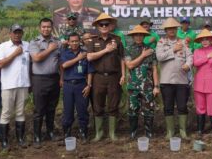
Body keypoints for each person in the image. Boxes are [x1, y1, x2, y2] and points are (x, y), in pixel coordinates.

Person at [86, 13, 125, 142]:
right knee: (98, 106)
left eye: (106, 24)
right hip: (98, 77)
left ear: (110, 26)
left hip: (114, 77)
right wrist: (106, 50)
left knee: (113, 105)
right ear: (97, 26)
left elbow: (122, 59)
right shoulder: (93, 40)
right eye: (101, 24)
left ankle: (112, 134)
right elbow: (89, 57)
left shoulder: (117, 40)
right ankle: (99, 133)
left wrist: (123, 75)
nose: (104, 26)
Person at [156, 18, 193, 139]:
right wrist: (173, 49)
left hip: (181, 80)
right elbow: (159, 57)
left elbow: (190, 56)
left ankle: (183, 131)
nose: (172, 30)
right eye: (169, 29)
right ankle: (170, 132)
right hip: (166, 81)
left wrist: (188, 64)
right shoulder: (161, 42)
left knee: (182, 106)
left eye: (174, 28)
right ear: (166, 30)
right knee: (168, 107)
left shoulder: (183, 42)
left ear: (177, 29)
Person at [0, 24, 31, 150]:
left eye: (19, 32)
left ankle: (20, 139)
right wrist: (15, 54)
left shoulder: (27, 45)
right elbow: (0, 64)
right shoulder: (3, 46)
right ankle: (4, 141)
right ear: (10, 33)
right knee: (6, 113)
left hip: (23, 84)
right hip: (8, 85)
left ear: (22, 33)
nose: (17, 35)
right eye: (15, 32)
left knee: (21, 112)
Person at [29, 18, 61, 147]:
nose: (46, 29)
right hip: (39, 79)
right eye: (43, 27)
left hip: (54, 78)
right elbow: (36, 58)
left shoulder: (57, 42)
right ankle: (37, 136)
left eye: (48, 27)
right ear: (40, 28)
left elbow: (60, 61)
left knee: (51, 108)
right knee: (39, 109)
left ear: (52, 28)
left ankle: (50, 132)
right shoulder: (34, 43)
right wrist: (49, 49)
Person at [125, 25, 160, 139]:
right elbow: (130, 65)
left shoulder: (151, 50)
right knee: (132, 109)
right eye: (136, 35)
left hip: (148, 86)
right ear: (133, 36)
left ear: (144, 36)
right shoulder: (128, 49)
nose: (139, 37)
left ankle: (148, 131)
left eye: (141, 35)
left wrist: (156, 86)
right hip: (133, 85)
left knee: (148, 109)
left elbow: (154, 69)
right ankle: (133, 131)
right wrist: (143, 55)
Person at [60, 33, 93, 141]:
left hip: (81, 85)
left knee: (82, 110)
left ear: (80, 42)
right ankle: (67, 132)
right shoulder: (65, 53)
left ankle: (83, 132)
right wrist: (77, 58)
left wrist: (89, 85)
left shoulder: (85, 54)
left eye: (76, 41)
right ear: (68, 42)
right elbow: (64, 65)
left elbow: (89, 71)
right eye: (72, 41)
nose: (74, 43)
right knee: (68, 110)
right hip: (68, 85)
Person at [193, 29, 212, 136]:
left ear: (211, 40)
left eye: (207, 39)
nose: (205, 41)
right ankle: (200, 130)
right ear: (200, 41)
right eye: (202, 39)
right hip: (199, 84)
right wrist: (207, 57)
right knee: (200, 108)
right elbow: (195, 63)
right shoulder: (197, 51)